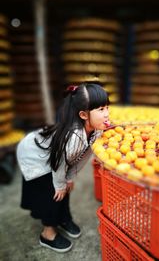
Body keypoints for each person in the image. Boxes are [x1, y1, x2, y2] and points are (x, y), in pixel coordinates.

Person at [16, 83, 110, 253]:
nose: (107, 114)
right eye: (101, 109)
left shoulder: (95, 131)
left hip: (54, 157)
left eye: (107, 107)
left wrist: (70, 178)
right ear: (83, 114)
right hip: (35, 156)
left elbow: (82, 158)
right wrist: (61, 183)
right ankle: (48, 233)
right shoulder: (73, 137)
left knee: (65, 188)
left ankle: (63, 218)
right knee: (53, 193)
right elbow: (58, 164)